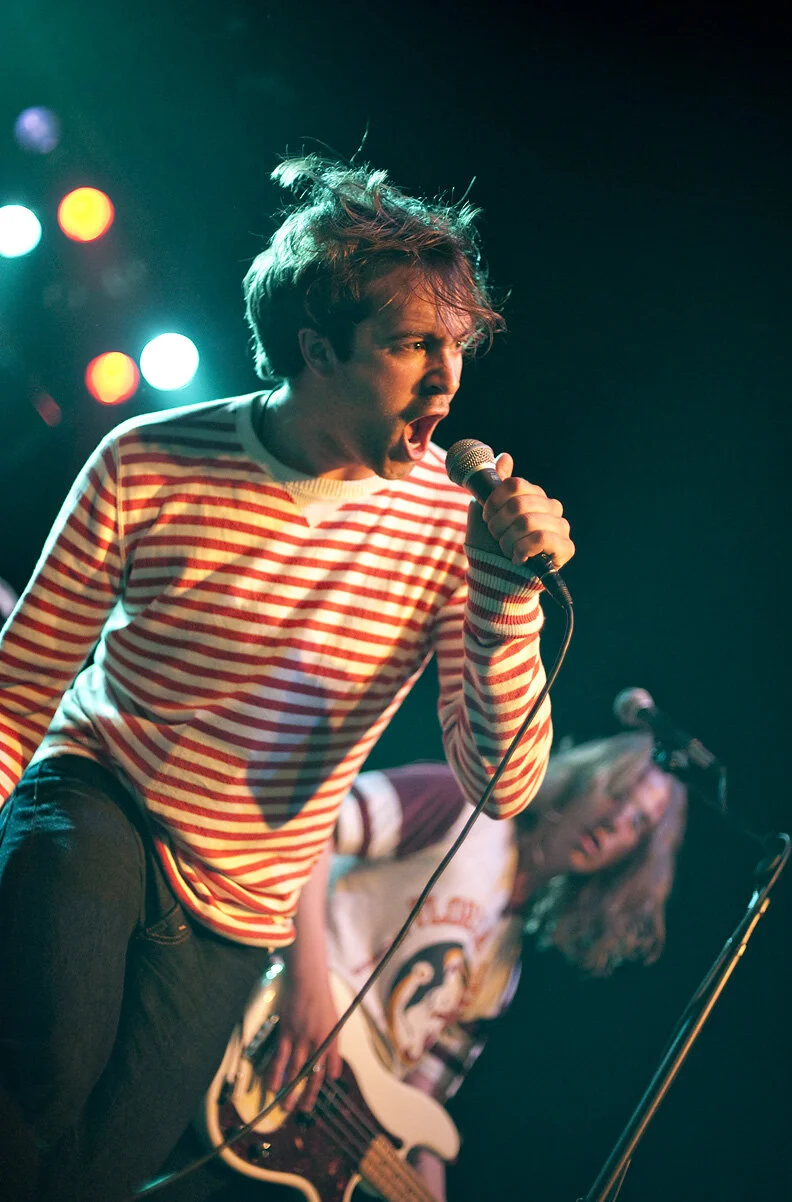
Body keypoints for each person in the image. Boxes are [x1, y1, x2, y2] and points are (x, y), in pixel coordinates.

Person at [0, 152, 574, 1202]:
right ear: (316, 347)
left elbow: (502, 787)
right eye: (411, 345)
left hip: (245, 901)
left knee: (98, 1175)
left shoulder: (456, 531)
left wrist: (505, 595)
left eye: (454, 346)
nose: (445, 378)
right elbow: (18, 689)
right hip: (104, 792)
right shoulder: (149, 457)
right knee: (40, 1078)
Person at [265, 731, 684, 1201]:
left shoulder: (505, 974)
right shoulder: (463, 811)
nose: (616, 821)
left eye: (639, 822)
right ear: (586, 777)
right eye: (619, 791)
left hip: (302, 1120)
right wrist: (307, 986)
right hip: (266, 1013)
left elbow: (422, 1107)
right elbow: (309, 824)